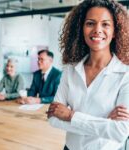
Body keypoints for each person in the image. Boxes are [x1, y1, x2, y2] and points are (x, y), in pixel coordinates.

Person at [47, 0, 129, 150]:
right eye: (90, 23)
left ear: (115, 31)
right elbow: (53, 118)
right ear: (81, 29)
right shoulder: (70, 71)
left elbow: (121, 132)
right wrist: (104, 122)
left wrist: (70, 116)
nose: (97, 30)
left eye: (105, 24)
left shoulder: (126, 75)